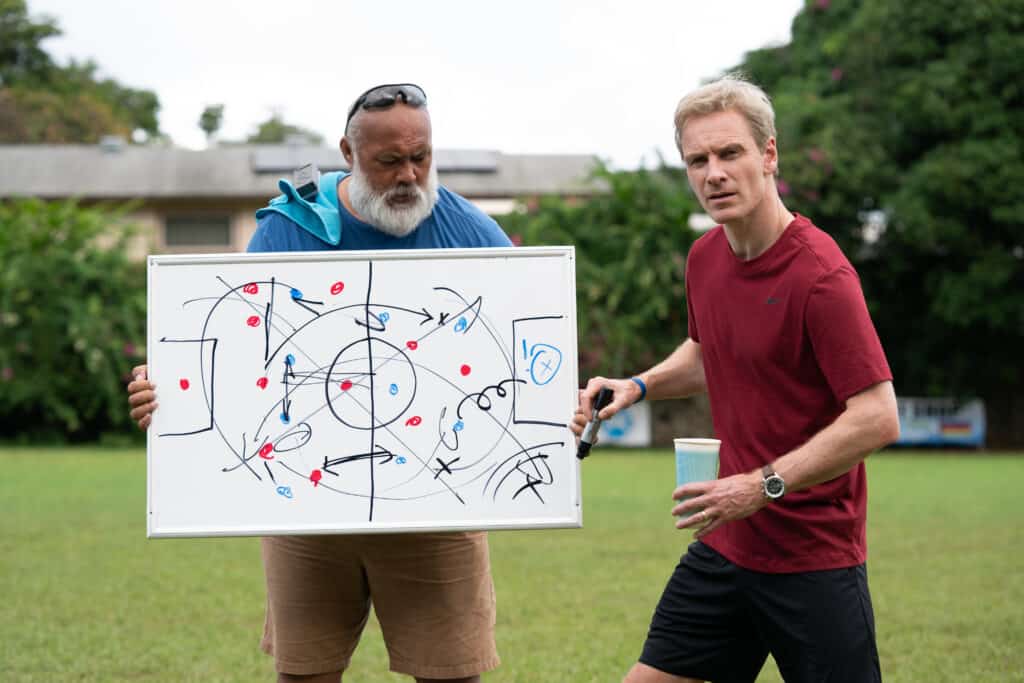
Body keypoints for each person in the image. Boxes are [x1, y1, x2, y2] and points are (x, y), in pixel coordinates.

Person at [128, 83, 511, 683]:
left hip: (436, 504)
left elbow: (514, 348)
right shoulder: (288, 228)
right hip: (305, 499)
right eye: (389, 162)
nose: (409, 175)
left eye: (422, 157)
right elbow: (231, 345)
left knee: (452, 673)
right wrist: (169, 390)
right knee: (305, 673)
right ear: (348, 154)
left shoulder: (473, 233)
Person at [573, 74, 899, 683]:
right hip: (727, 545)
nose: (713, 173)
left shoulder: (821, 276)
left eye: (730, 153)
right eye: (697, 160)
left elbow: (877, 416)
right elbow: (705, 353)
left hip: (812, 558)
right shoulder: (706, 257)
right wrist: (635, 386)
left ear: (769, 154)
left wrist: (761, 485)